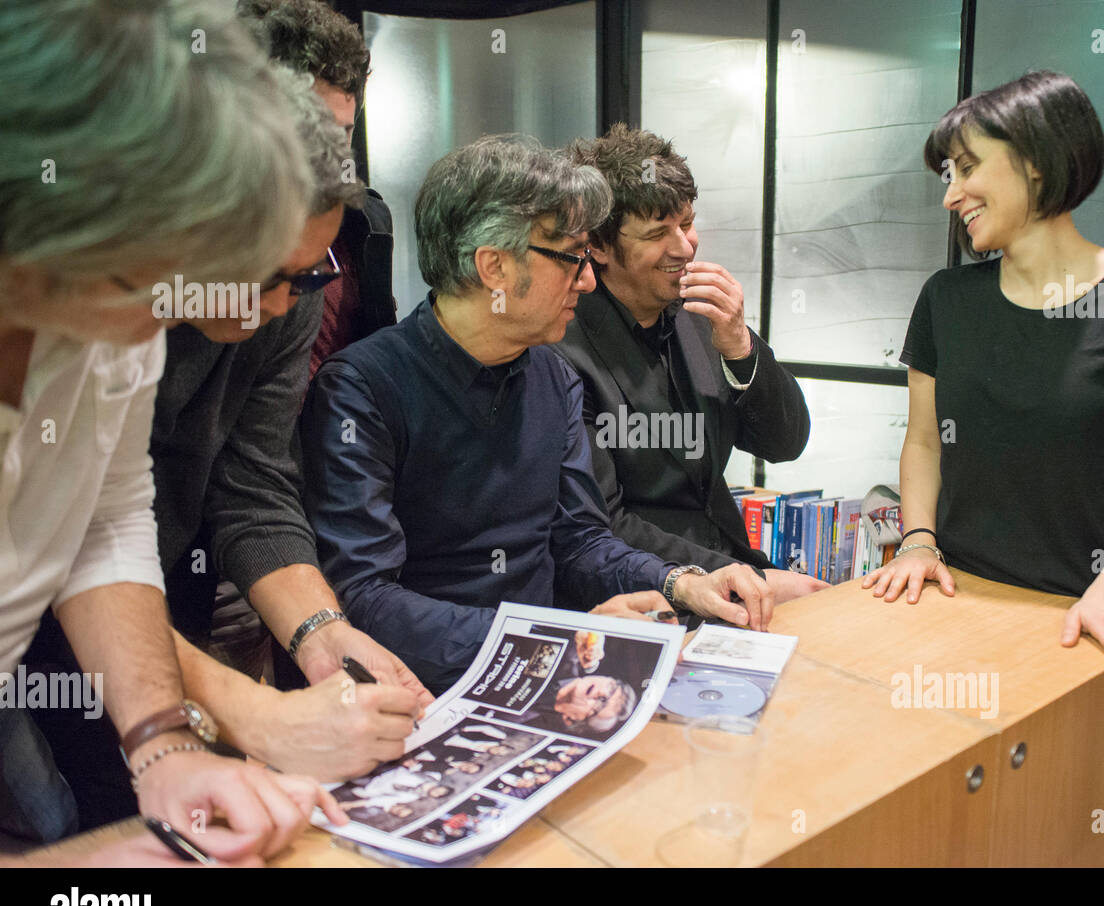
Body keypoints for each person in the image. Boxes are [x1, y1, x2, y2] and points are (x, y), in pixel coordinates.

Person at [22, 66, 424, 831]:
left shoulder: (152, 316)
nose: (281, 305)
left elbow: (107, 520)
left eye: (308, 278)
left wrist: (165, 741)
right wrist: (250, 711)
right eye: (270, 275)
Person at [0, 0, 344, 863]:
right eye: (149, 275)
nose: (180, 308)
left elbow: (105, 517)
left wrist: (162, 742)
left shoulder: (112, 319)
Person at [301, 134, 777, 694]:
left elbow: (579, 539)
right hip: (420, 692)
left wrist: (682, 581)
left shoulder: (552, 376)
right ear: (494, 267)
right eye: (571, 258)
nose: (588, 279)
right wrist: (553, 638)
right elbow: (365, 597)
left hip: (549, 671)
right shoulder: (362, 389)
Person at [862, 72, 1104, 688]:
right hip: (952, 599)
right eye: (949, 174)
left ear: (1037, 164)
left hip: (1084, 618)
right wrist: (918, 542)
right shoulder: (946, 298)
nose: (952, 195)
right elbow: (923, 441)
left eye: (968, 168)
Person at [553, 125, 826, 605]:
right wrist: (741, 578)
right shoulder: (563, 348)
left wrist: (740, 346)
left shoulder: (701, 317)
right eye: (659, 233)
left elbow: (786, 442)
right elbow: (604, 526)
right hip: (644, 593)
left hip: (734, 571)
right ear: (596, 246)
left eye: (688, 223)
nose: (684, 247)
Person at [236, 0, 398, 380]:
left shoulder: (367, 220)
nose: (329, 151)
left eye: (343, 131)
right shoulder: (219, 231)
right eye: (311, 128)